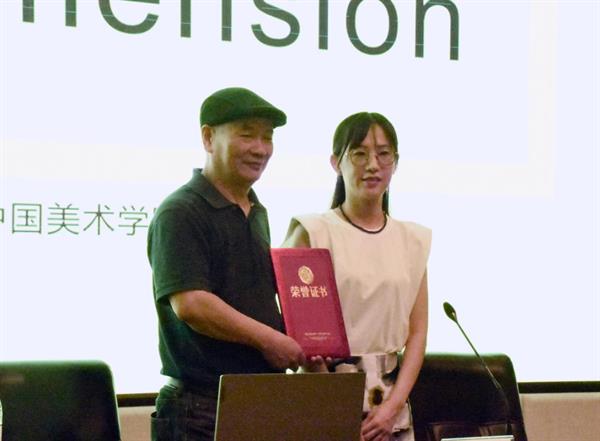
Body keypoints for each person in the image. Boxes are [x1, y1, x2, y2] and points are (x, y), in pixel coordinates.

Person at [147, 87, 306, 441]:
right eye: (247, 134)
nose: (260, 148)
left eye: (267, 137)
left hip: (256, 401)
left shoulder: (257, 211)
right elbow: (192, 304)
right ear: (208, 137)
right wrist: (270, 340)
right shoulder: (181, 210)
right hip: (202, 409)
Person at [284, 112, 431, 441]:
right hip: (323, 394)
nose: (373, 165)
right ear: (336, 163)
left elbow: (418, 332)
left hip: (390, 408)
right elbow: (297, 329)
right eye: (360, 153)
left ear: (395, 162)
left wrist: (393, 407)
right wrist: (337, 406)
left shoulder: (413, 240)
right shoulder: (312, 231)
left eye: (383, 154)